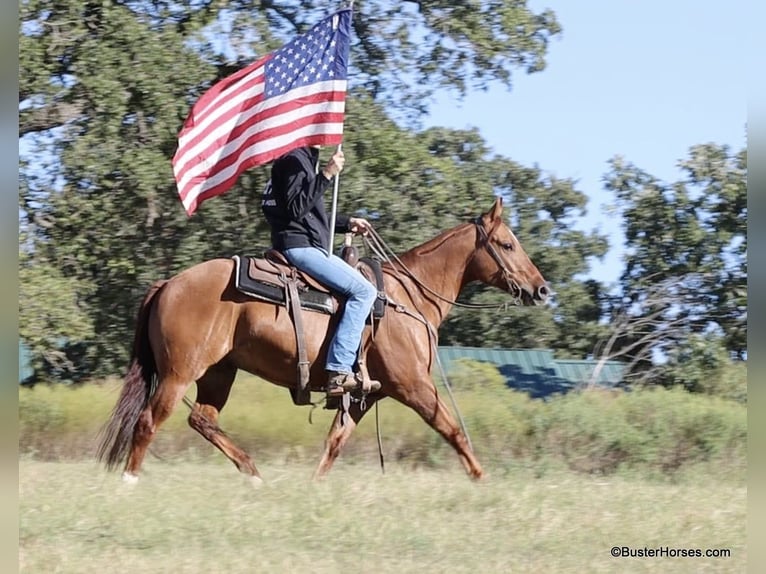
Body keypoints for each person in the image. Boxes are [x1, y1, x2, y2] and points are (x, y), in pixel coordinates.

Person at [261, 145, 380, 398]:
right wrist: (326, 174)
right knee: (364, 291)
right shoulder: (294, 160)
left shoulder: (300, 160)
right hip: (300, 248)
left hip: (301, 244)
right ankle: (338, 369)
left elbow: (310, 215)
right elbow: (296, 208)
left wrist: (347, 223)